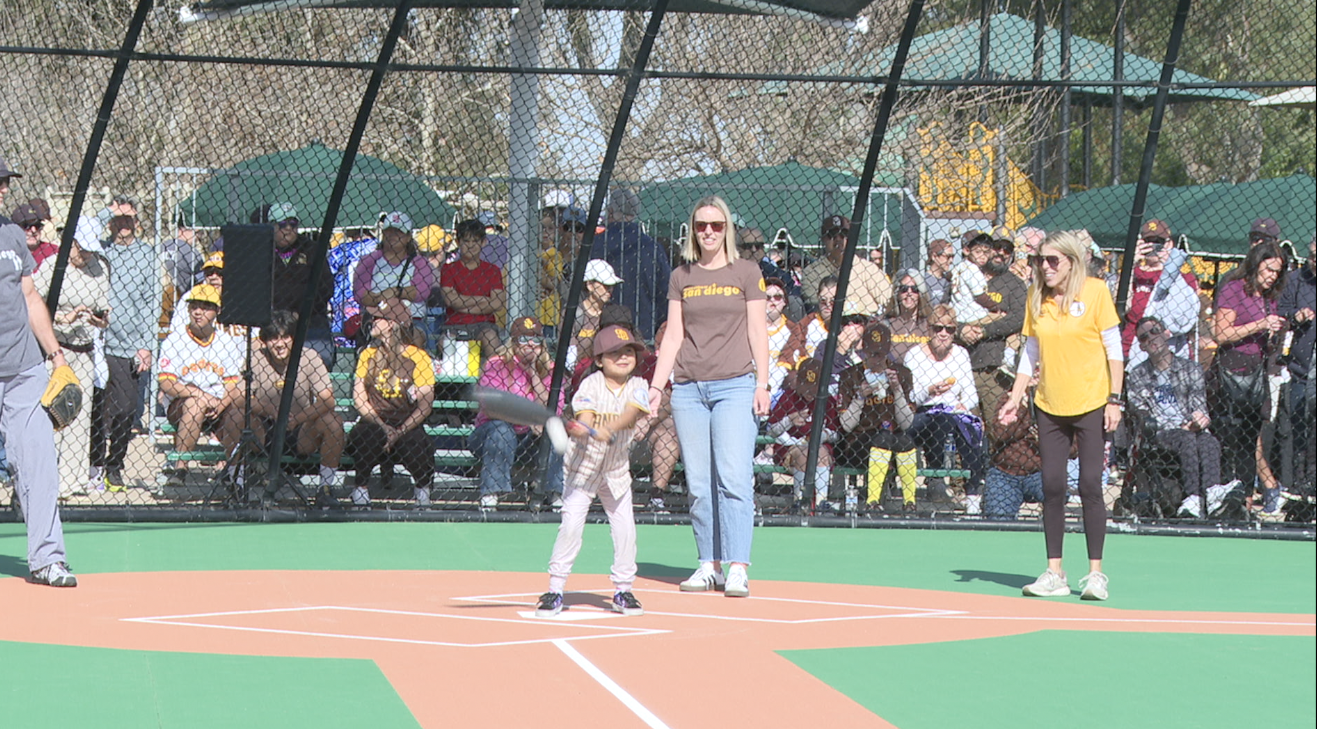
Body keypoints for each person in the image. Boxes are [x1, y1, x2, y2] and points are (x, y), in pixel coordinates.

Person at [648, 195, 769, 598]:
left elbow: (757, 332)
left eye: (717, 226)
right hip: (688, 389)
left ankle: (738, 566)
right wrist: (655, 387)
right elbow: (674, 336)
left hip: (736, 385)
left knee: (733, 477)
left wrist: (762, 383)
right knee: (699, 483)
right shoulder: (681, 275)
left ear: (727, 229)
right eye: (701, 226)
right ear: (692, 230)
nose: (709, 232)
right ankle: (708, 564)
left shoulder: (747, 272)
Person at [999, 230, 1124, 601]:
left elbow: (1114, 349)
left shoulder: (1096, 292)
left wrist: (1114, 399)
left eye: (1053, 260)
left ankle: (1096, 575)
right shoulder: (1037, 297)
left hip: (1091, 402)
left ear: (1072, 261)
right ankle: (1055, 573)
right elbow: (1030, 351)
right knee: (1052, 486)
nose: (1046, 267)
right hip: (1049, 405)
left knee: (1089, 485)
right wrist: (1016, 396)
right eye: (1041, 260)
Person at [535, 325, 651, 618]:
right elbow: (585, 417)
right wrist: (587, 429)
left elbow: (631, 414)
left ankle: (623, 590)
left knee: (625, 528)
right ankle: (555, 589)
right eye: (614, 353)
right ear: (599, 359)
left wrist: (608, 428)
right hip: (583, 469)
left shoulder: (639, 385)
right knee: (571, 525)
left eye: (628, 351)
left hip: (615, 469)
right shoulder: (590, 385)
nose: (623, 357)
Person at [0, 157, 78, 586]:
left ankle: (47, 559)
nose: (3, 189)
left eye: (5, 182)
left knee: (38, 463)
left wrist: (56, 355)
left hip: (24, 369)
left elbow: (30, 297)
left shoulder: (13, 236)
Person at [1126, 316, 1241, 518]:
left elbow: (1199, 405)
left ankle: (1212, 494)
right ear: (1142, 347)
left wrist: (1200, 419)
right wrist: (1178, 425)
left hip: (1190, 427)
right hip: (1162, 431)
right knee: (1187, 439)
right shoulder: (1137, 374)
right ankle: (1193, 497)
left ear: (1166, 333)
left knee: (1209, 441)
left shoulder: (1191, 369)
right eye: (1143, 338)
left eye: (1154, 332)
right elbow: (1142, 415)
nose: (1150, 339)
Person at [33, 218, 110, 498]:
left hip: (85, 350)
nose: (86, 255)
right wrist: (65, 317)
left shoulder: (100, 268)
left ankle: (73, 482)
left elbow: (105, 310)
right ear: (71, 242)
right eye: (82, 249)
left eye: (90, 250)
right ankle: (46, 479)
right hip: (56, 349)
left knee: (79, 416)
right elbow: (32, 303)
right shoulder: (53, 266)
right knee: (53, 414)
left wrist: (98, 320)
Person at [1211, 241, 1287, 513]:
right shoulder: (1235, 288)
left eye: (1277, 272)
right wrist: (1260, 324)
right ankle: (1225, 495)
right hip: (1231, 369)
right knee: (1229, 436)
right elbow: (1220, 333)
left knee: (1251, 436)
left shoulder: (1269, 297)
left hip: (1257, 371)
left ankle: (1245, 497)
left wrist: (1273, 334)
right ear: (1256, 265)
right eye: (1268, 269)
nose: (1272, 276)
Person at [246, 310, 345, 506]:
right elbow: (239, 396)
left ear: (294, 338)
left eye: (285, 337)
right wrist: (272, 411)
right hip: (263, 426)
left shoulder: (310, 356)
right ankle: (236, 483)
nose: (280, 343)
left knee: (333, 421)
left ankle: (325, 488)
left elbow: (327, 400)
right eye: (273, 338)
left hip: (301, 428)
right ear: (265, 340)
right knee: (235, 415)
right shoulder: (254, 357)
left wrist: (298, 418)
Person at [90, 211, 157, 492]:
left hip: (129, 345)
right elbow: (91, 222)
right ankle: (94, 465)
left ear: (137, 223)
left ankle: (114, 465)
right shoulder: (101, 249)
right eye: (119, 219)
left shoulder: (147, 254)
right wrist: (110, 210)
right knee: (96, 408)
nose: (123, 224)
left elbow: (152, 302)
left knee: (126, 409)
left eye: (129, 219)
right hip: (98, 341)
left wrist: (146, 344)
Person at [346, 298, 436, 509]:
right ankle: (360, 489)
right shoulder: (368, 354)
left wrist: (400, 429)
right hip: (375, 419)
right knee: (368, 434)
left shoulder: (418, 357)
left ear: (392, 324)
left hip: (406, 419)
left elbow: (425, 405)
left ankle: (422, 490)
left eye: (378, 318)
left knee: (415, 441)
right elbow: (359, 398)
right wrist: (383, 425)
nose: (372, 321)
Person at [469, 316, 564, 510]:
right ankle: (490, 495)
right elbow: (493, 408)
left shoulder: (551, 369)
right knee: (501, 429)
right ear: (512, 342)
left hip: (532, 441)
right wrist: (530, 421)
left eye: (536, 339)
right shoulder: (497, 364)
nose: (531, 344)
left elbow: (554, 410)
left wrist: (533, 373)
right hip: (490, 436)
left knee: (554, 429)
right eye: (524, 339)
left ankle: (555, 493)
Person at [155, 284, 244, 489]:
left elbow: (232, 383)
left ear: (217, 311)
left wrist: (222, 404)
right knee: (195, 404)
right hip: (182, 403)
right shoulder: (175, 340)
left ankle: (231, 472)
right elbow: (167, 382)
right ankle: (180, 468)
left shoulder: (226, 341)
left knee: (237, 410)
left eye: (205, 307)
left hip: (218, 404)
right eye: (194, 306)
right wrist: (200, 396)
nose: (197, 312)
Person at [905, 304, 985, 511]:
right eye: (938, 328)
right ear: (929, 329)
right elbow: (911, 396)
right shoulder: (914, 355)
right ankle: (934, 481)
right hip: (923, 410)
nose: (943, 334)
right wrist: (929, 390)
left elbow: (971, 393)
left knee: (970, 426)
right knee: (935, 422)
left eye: (949, 329)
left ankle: (973, 493)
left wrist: (963, 404)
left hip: (953, 411)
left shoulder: (960, 354)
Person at [837, 321, 918, 512]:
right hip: (859, 440)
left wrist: (897, 390)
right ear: (863, 350)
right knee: (882, 438)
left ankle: (910, 502)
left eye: (881, 354)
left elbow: (906, 423)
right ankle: (872, 501)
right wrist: (859, 397)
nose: (877, 359)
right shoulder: (851, 375)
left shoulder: (902, 373)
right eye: (872, 354)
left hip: (894, 437)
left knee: (906, 440)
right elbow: (846, 425)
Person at [959, 229, 1027, 416]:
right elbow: (947, 312)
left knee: (997, 429)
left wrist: (985, 330)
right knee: (963, 431)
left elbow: (1019, 318)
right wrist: (961, 329)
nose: (1002, 253)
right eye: (997, 247)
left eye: (1007, 249)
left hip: (995, 372)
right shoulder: (965, 275)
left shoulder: (1015, 284)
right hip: (962, 367)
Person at [1121, 220, 1199, 370]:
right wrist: (1130, 263)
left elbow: (1185, 315)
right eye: (1147, 242)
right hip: (1131, 351)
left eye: (1159, 242)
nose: (1153, 246)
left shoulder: (1184, 279)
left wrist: (1169, 265)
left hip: (1168, 354)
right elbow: (1121, 306)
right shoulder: (1133, 275)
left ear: (1169, 244)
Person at [594, 189, 670, 341]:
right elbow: (665, 293)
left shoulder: (597, 245)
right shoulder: (652, 247)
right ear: (635, 213)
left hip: (603, 326)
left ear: (610, 211)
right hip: (644, 328)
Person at [267, 203, 335, 369]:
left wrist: (301, 313)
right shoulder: (262, 250)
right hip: (271, 319)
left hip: (310, 319)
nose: (288, 228)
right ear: (271, 226)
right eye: (282, 224)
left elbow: (326, 288)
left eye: (293, 223)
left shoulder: (312, 250)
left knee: (321, 358)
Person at [767, 357, 840, 511]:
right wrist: (789, 420)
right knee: (803, 453)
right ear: (798, 383)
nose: (809, 392)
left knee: (819, 452)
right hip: (790, 447)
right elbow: (771, 430)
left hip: (820, 449)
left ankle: (821, 502)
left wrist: (823, 435)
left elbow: (836, 433)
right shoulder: (789, 397)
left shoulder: (827, 400)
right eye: (805, 387)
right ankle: (799, 501)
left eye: (813, 388)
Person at [1277, 235, 1315, 499]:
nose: (1314, 261)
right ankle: (1298, 484)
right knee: (1298, 428)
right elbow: (1281, 311)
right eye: (1312, 255)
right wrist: (1296, 316)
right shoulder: (1296, 279)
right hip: (1301, 370)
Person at [353, 211, 435, 334]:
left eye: (398, 232)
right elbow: (360, 294)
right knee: (382, 331)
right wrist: (382, 299)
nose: (393, 235)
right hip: (377, 316)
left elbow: (421, 292)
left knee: (416, 337)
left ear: (408, 237)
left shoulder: (420, 263)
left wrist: (394, 292)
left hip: (412, 320)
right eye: (389, 231)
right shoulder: (368, 261)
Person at [440, 218, 506, 360]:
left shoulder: (492, 270)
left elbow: (497, 304)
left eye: (475, 241)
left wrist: (463, 304)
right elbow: (450, 300)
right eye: (466, 241)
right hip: (454, 324)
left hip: (484, 325)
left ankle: (493, 377)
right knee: (444, 343)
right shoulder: (449, 269)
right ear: (458, 243)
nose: (471, 245)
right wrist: (483, 300)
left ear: (483, 242)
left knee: (490, 338)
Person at [801, 215, 892, 316]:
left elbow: (890, 301)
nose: (838, 239)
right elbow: (818, 307)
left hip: (867, 324)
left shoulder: (869, 269)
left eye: (843, 234)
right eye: (832, 234)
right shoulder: (812, 272)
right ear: (823, 239)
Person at [983, 387, 1044, 521]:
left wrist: (1048, 441)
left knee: (1056, 507)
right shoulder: (1007, 400)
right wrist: (1022, 406)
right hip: (1005, 473)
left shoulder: (1058, 403)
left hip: (1042, 472)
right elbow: (999, 435)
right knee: (997, 520)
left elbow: (1073, 448)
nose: (1036, 374)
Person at [738, 226, 802, 320]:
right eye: (748, 246)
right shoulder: (730, 271)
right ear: (737, 249)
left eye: (758, 246)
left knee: (794, 301)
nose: (754, 250)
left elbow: (794, 290)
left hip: (773, 319)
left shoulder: (773, 271)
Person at [567, 259, 623, 368]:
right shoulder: (574, 314)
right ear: (590, 286)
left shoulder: (614, 314)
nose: (610, 289)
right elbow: (569, 358)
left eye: (611, 285)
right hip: (579, 373)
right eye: (605, 284)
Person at [949, 231, 1003, 326]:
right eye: (978, 252)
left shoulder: (960, 266)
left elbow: (949, 275)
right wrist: (995, 306)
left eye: (986, 253)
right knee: (1004, 317)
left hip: (958, 314)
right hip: (974, 316)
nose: (982, 256)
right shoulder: (974, 271)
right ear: (966, 251)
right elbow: (980, 297)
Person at [884, 270, 932, 364]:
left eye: (914, 289)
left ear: (920, 294)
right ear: (897, 294)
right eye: (904, 289)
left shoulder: (930, 323)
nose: (909, 293)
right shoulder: (885, 322)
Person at [11, 202, 56, 271]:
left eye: (37, 225)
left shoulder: (52, 251)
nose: (33, 230)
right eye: (27, 226)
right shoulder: (7, 252)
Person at [923, 238, 954, 305]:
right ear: (934, 256)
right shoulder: (924, 280)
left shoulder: (949, 280)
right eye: (948, 256)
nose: (951, 261)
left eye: (952, 257)